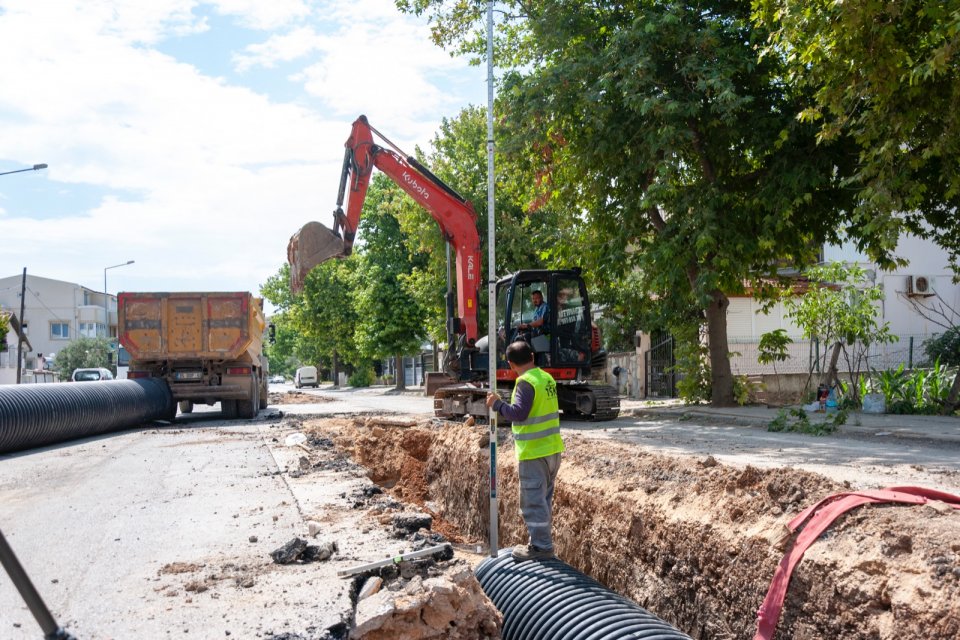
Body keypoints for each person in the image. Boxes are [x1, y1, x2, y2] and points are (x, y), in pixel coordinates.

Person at [486, 340, 564, 561]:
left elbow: (519, 413)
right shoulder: (546, 378)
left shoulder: (525, 382)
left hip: (534, 453)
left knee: (532, 502)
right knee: (544, 500)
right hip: (552, 450)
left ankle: (541, 547)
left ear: (511, 364)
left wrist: (497, 404)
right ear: (532, 356)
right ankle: (539, 542)